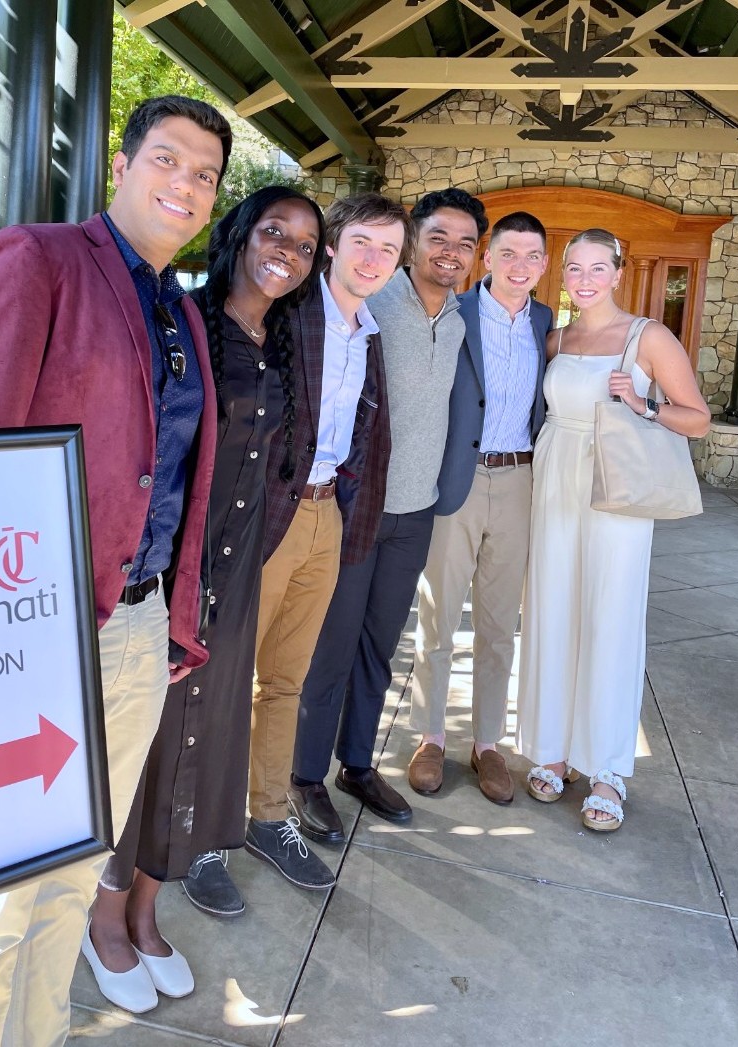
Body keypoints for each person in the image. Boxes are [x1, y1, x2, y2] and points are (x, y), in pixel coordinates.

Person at [0, 95, 231, 1046]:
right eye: (168, 160)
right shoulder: (40, 258)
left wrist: (171, 620)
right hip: (31, 628)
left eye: (206, 174)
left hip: (136, 630)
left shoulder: (182, 309)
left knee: (72, 869)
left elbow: (169, 477)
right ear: (124, 167)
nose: (185, 184)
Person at [80, 187, 325, 1011]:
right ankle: (104, 914)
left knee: (204, 742)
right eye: (273, 230)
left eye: (303, 242)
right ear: (240, 234)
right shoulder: (185, 323)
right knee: (144, 747)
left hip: (240, 572)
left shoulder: (283, 341)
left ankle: (149, 909)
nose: (286, 249)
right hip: (176, 570)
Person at [182, 193, 410, 900]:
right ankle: (199, 837)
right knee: (219, 683)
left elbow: (368, 444)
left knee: (285, 681)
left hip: (324, 519)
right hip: (262, 521)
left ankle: (267, 815)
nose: (375, 260)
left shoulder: (370, 331)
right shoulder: (288, 312)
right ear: (334, 246)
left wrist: (349, 528)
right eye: (364, 243)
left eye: (389, 251)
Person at [288, 189, 486, 842]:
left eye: (464, 242)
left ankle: (358, 764)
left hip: (417, 510)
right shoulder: (374, 301)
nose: (450, 252)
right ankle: (305, 774)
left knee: (380, 646)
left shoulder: (460, 318)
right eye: (438, 237)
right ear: (414, 243)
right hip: (355, 507)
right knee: (332, 648)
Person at [517, 228, 710, 830]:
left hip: (617, 486)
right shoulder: (554, 338)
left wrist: (644, 405)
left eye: (598, 267)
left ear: (619, 273)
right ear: (563, 273)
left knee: (611, 616)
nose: (584, 278)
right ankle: (551, 747)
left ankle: (606, 769)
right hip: (555, 479)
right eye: (574, 267)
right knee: (553, 609)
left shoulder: (647, 336)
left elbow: (698, 420)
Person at [408, 211, 552, 803]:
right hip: (456, 481)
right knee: (439, 616)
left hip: (519, 481)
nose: (520, 266)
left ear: (544, 265)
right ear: (487, 258)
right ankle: (431, 736)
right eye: (509, 254)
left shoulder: (546, 322)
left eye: (532, 257)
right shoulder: (454, 310)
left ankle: (488, 743)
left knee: (499, 625)